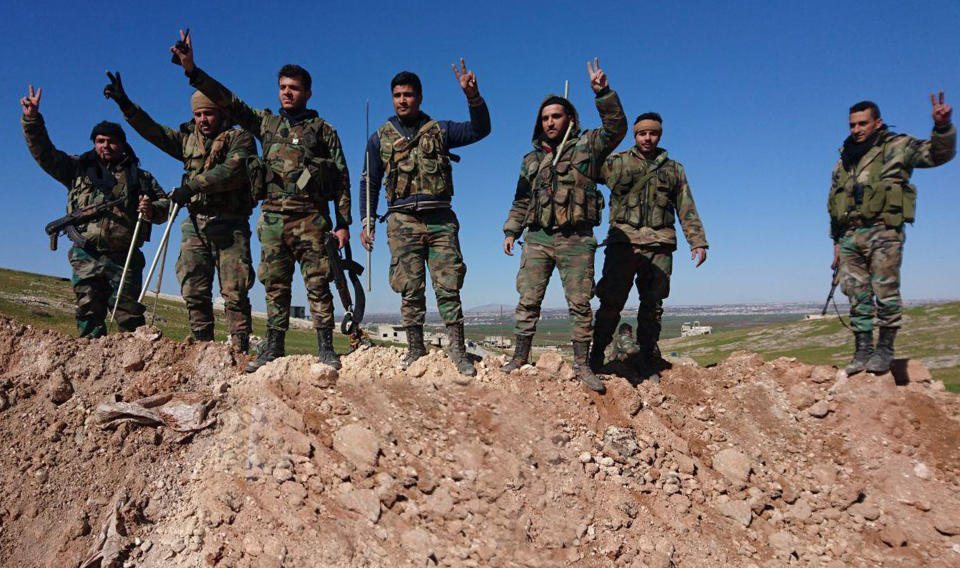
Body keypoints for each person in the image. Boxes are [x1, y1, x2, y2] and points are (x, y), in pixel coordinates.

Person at [170, 31, 352, 372]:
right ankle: (274, 348)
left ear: (307, 92)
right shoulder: (265, 124)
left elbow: (341, 178)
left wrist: (343, 224)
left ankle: (326, 347)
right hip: (272, 218)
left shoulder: (323, 130)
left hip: (312, 217)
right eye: (282, 86)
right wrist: (192, 70)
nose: (287, 92)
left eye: (294, 87)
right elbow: (228, 101)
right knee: (274, 285)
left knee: (317, 283)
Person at [104, 71, 257, 352]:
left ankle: (239, 349)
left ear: (222, 113)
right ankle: (202, 348)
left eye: (208, 114)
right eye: (198, 115)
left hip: (231, 224)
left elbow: (232, 171)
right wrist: (126, 104)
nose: (202, 120)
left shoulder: (240, 138)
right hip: (196, 224)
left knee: (235, 291)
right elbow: (153, 132)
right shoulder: (188, 140)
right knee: (193, 287)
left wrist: (194, 185)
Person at [501, 59, 626, 393]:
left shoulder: (587, 146)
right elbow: (521, 199)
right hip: (538, 237)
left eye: (556, 116)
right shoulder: (532, 160)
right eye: (545, 118)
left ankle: (583, 365)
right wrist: (511, 230)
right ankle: (519, 356)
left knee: (580, 303)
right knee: (528, 299)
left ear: (569, 118)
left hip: (576, 238)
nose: (550, 122)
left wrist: (603, 94)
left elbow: (616, 129)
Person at [358, 61, 490, 377]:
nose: (402, 100)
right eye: (397, 95)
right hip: (402, 221)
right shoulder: (380, 138)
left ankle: (457, 350)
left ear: (419, 97)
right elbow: (369, 181)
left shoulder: (440, 130)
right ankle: (415, 349)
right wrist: (367, 221)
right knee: (410, 287)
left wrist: (473, 97)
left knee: (448, 285)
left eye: (408, 95)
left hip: (440, 219)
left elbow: (479, 129)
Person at [21, 85, 169, 337]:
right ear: (94, 143)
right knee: (88, 315)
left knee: (129, 318)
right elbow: (44, 154)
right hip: (85, 255)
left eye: (112, 141)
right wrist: (32, 120)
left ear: (123, 145)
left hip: (125, 258)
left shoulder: (142, 178)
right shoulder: (77, 169)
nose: (106, 146)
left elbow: (166, 206)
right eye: (100, 141)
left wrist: (151, 209)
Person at [829, 95, 954, 375]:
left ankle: (884, 350)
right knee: (856, 295)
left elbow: (937, 154)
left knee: (885, 291)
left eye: (863, 123)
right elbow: (834, 204)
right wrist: (836, 242)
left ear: (878, 122)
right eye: (852, 124)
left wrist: (943, 127)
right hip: (850, 235)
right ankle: (862, 351)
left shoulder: (897, 147)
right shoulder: (844, 161)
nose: (856, 129)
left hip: (883, 231)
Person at [591, 112, 709, 382]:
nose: (647, 138)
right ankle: (596, 355)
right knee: (611, 301)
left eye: (653, 133)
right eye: (642, 133)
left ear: (660, 135)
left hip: (660, 245)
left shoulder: (673, 169)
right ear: (635, 135)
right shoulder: (617, 163)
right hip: (624, 245)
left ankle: (646, 358)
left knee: (653, 305)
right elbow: (587, 167)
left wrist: (697, 240)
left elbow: (686, 207)